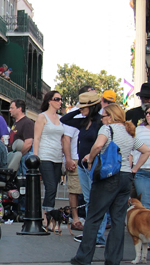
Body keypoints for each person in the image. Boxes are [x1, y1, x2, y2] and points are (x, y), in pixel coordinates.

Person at [71, 104, 150, 265]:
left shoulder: (107, 130)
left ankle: (84, 257)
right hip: (126, 176)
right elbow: (146, 151)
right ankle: (114, 259)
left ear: (111, 116)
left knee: (94, 216)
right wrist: (134, 168)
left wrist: (91, 158)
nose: (102, 119)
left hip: (108, 177)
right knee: (118, 218)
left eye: (104, 116)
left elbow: (99, 145)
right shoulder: (129, 132)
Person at [61, 91, 106, 247]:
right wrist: (78, 108)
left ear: (93, 107)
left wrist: (92, 157)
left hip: (94, 165)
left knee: (97, 200)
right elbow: (64, 118)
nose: (80, 110)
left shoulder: (100, 122)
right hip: (82, 165)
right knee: (88, 200)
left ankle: (98, 235)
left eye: (83, 107)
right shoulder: (82, 121)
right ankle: (92, 233)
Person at [61, 87, 95, 231]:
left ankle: (90, 219)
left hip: (92, 159)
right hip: (76, 157)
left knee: (90, 192)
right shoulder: (76, 115)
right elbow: (66, 139)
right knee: (75, 189)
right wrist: (68, 159)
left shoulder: (97, 117)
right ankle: (75, 218)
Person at [33, 90, 65, 227]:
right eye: (57, 99)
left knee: (54, 187)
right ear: (50, 101)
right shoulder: (42, 116)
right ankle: (46, 217)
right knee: (50, 186)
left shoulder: (60, 118)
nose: (59, 102)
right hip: (45, 155)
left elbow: (63, 139)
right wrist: (35, 158)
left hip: (57, 156)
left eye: (61, 99)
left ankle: (49, 214)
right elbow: (37, 138)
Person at [7, 99, 34, 171]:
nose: (10, 110)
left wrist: (17, 157)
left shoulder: (27, 122)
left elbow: (28, 143)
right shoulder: (16, 122)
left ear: (19, 109)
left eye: (12, 108)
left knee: (22, 181)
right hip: (15, 158)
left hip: (21, 161)